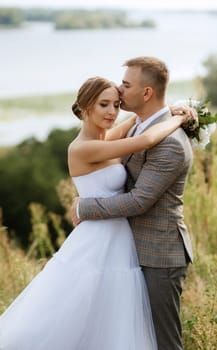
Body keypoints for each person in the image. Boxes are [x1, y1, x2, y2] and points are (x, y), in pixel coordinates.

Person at [0, 75, 192, 349]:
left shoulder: (104, 139)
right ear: (86, 106)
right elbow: (147, 138)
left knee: (113, 318)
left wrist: (167, 111)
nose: (112, 112)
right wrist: (178, 120)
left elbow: (134, 125)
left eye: (116, 104)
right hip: (96, 240)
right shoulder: (83, 148)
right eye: (104, 105)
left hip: (120, 239)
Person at [71, 57, 194, 350]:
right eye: (106, 102)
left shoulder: (171, 143)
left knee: (163, 341)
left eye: (125, 86)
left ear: (147, 93)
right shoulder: (132, 128)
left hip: (159, 256)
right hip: (123, 249)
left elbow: (138, 201)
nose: (119, 91)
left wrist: (82, 207)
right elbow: (140, 134)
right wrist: (174, 113)